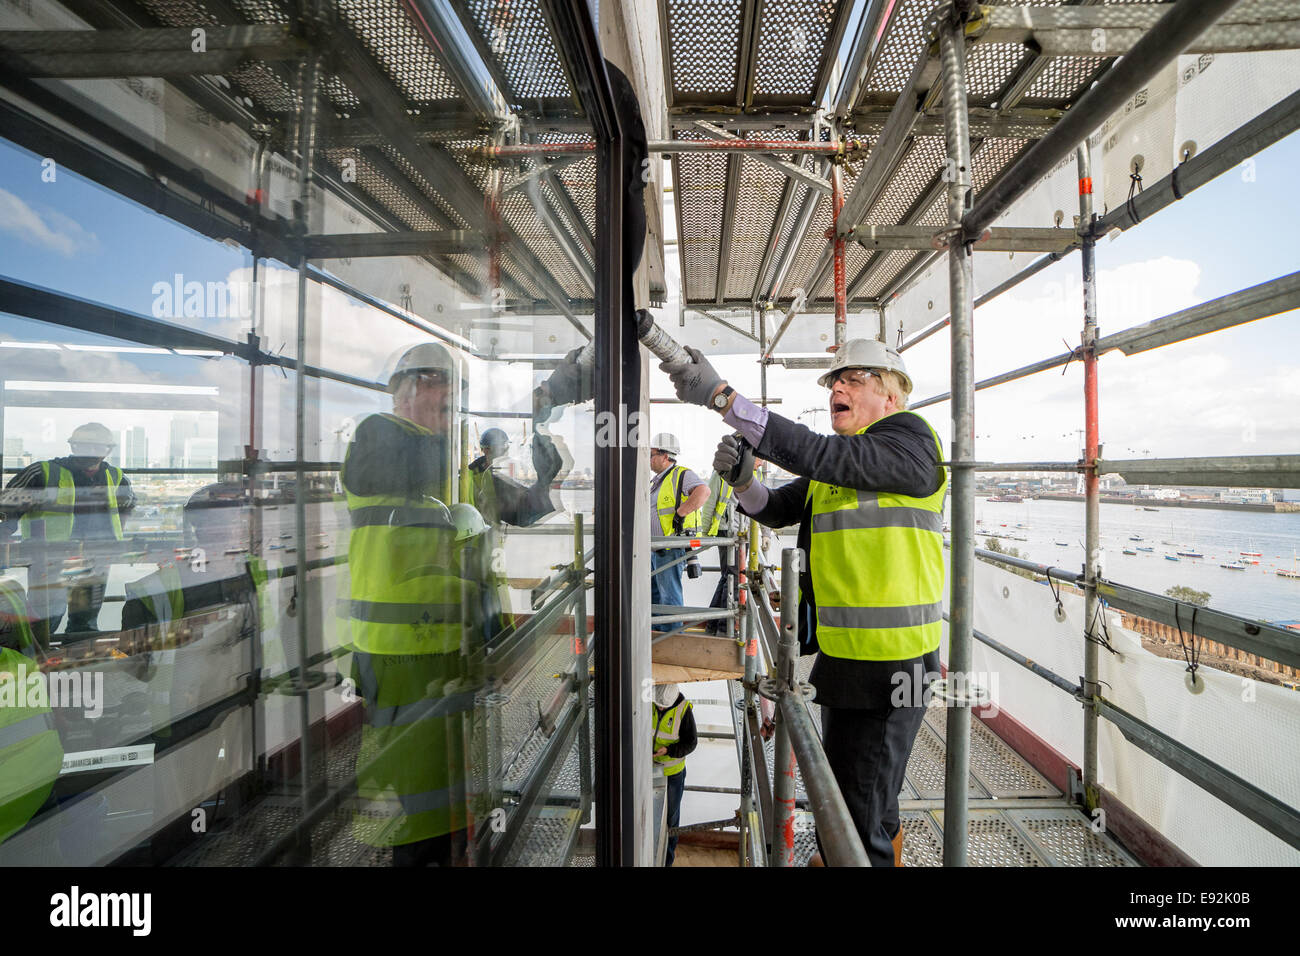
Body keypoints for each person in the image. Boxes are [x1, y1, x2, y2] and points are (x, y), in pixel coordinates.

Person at [662, 338, 946, 867]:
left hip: (893, 665)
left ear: (891, 394)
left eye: (854, 379)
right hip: (847, 662)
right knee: (863, 799)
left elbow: (818, 451)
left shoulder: (910, 443)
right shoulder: (839, 470)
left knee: (854, 824)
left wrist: (726, 400)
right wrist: (745, 483)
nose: (837, 387)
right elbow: (774, 509)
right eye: (834, 382)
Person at [341, 341, 481, 867]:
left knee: (441, 782)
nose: (451, 411)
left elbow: (502, 504)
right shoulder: (376, 440)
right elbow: (417, 464)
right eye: (442, 396)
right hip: (397, 653)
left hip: (440, 646)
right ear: (407, 390)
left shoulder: (439, 468)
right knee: (415, 789)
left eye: (455, 401)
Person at [0, 423, 137, 638]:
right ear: (73, 446)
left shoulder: (116, 476)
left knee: (85, 622)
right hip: (50, 557)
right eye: (84, 446)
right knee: (45, 620)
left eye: (96, 448)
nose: (90, 453)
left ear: (108, 450)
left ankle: (77, 660)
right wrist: (4, 534)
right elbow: (7, 504)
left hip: (96, 557)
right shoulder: (43, 472)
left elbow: (128, 504)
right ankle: (34, 660)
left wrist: (116, 534)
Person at [649, 433, 710, 608]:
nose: (649, 459)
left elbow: (703, 491)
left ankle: (671, 634)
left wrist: (681, 513)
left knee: (669, 597)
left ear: (665, 456)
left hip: (670, 548)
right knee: (655, 596)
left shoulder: (681, 474)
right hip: (656, 548)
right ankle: (657, 633)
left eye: (652, 455)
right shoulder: (658, 481)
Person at [652, 682, 696, 866]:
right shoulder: (650, 702)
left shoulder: (683, 710)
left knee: (671, 818)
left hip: (673, 773)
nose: (660, 707)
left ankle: (667, 861)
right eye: (658, 704)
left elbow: (691, 743)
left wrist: (668, 750)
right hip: (649, 767)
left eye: (664, 706)